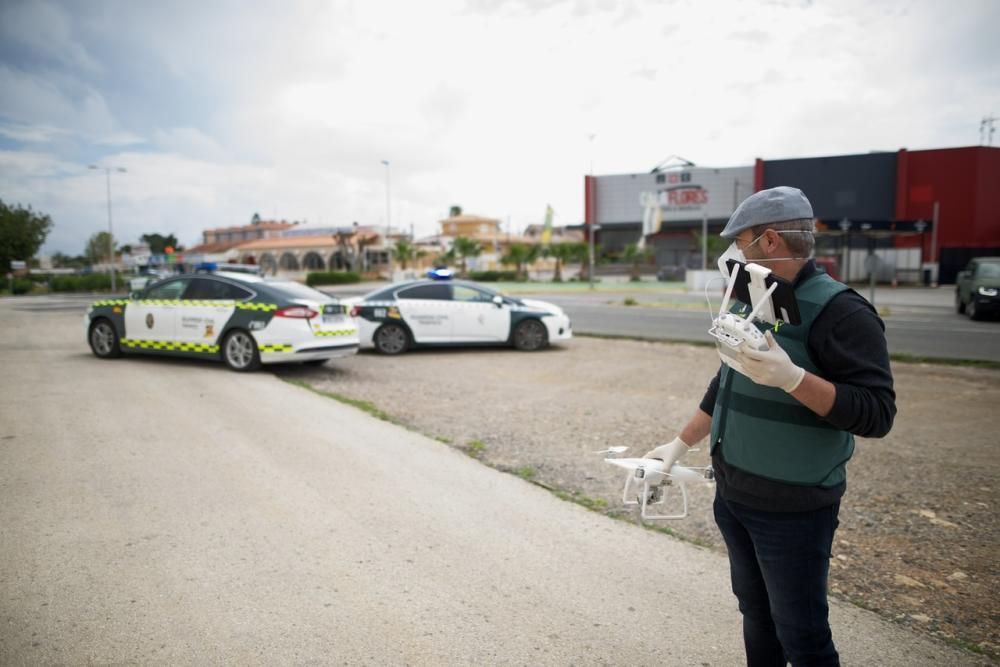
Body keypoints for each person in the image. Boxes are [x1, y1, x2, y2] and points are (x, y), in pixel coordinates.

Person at [645, 186, 896, 667]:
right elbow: (726, 383)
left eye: (739, 241)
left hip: (793, 510)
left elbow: (877, 413)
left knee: (802, 635)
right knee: (756, 615)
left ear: (771, 241)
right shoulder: (750, 298)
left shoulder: (842, 312)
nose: (732, 252)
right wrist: (678, 444)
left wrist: (795, 378)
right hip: (735, 497)